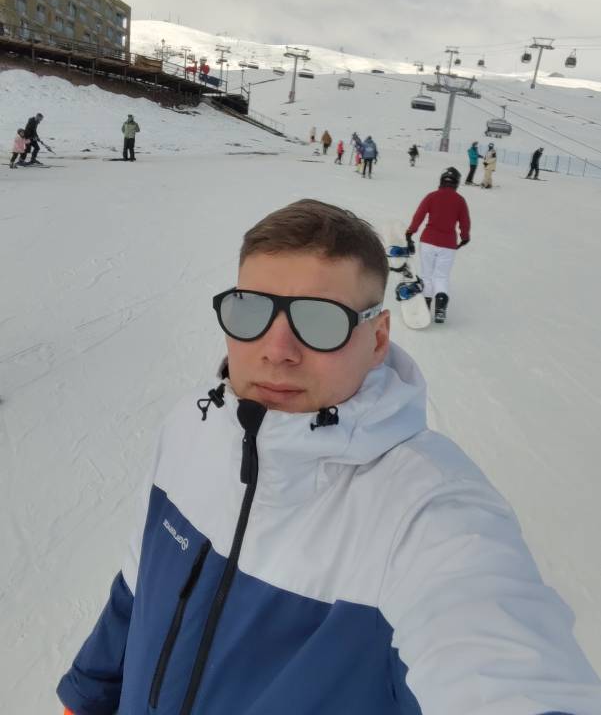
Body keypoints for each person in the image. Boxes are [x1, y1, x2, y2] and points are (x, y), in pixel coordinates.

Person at [57, 198, 601, 715]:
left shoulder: (426, 514)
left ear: (378, 337)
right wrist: (87, 694)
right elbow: (138, 589)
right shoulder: (189, 428)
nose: (277, 351)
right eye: (250, 311)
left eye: (319, 321)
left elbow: (499, 662)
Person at [405, 166, 470, 322]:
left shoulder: (432, 196)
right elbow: (465, 222)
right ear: (456, 183)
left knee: (427, 275)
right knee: (441, 276)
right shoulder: (460, 200)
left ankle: (425, 306)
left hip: (428, 241)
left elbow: (419, 215)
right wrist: (464, 237)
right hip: (448, 244)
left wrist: (410, 232)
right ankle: (440, 308)